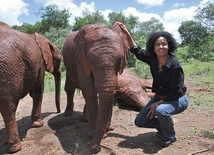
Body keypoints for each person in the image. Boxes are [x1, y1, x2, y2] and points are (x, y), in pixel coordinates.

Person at [118, 22, 189, 147]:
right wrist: (127, 33)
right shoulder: (153, 59)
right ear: (153, 47)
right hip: (160, 97)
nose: (161, 47)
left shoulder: (174, 65)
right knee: (140, 121)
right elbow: (137, 51)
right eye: (158, 44)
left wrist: (157, 104)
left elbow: (176, 92)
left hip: (178, 99)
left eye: (164, 44)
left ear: (169, 46)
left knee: (161, 111)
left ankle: (169, 136)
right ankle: (165, 127)